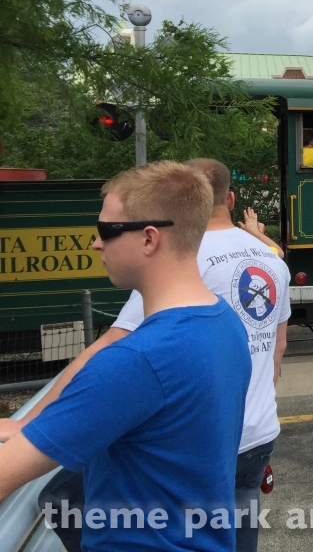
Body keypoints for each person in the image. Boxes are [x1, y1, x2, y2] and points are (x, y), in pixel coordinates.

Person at [5, 159, 290, 552]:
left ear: (149, 239)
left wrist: (24, 426)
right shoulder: (225, 325)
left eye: (107, 229)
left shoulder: (136, 361)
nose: (96, 242)